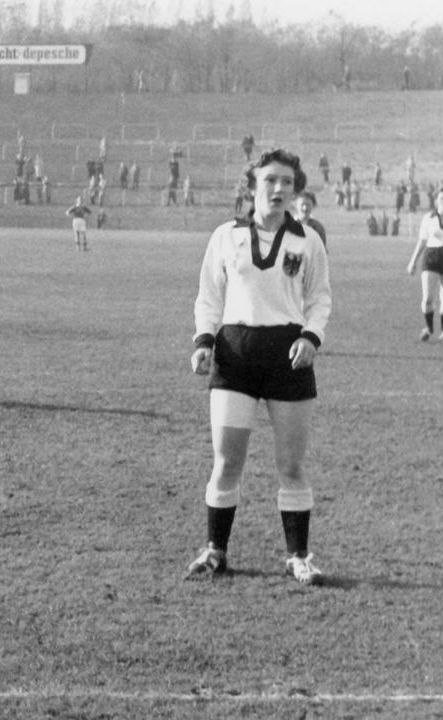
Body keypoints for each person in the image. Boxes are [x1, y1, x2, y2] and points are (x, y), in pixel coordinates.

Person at [185, 149, 331, 586]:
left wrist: (310, 337)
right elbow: (209, 296)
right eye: (270, 180)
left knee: (291, 464)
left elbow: (320, 298)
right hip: (236, 355)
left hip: (289, 356)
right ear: (253, 187)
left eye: (287, 182)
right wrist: (203, 342)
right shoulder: (226, 236)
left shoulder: (308, 241)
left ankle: (298, 556)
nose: (279, 189)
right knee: (227, 461)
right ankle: (215, 551)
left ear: (295, 189)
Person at [405, 187, 443, 342]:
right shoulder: (428, 218)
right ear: (436, 201)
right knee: (428, 298)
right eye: (441, 198)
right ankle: (429, 328)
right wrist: (412, 261)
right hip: (431, 256)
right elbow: (422, 241)